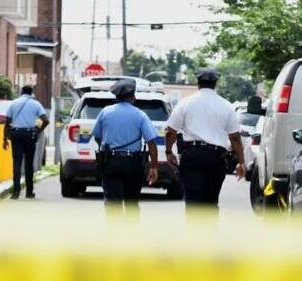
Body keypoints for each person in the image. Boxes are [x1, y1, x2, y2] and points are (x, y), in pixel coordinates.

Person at [164, 68, 245, 210]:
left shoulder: (185, 102)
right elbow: (235, 138)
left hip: (192, 156)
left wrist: (169, 152)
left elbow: (170, 132)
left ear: (198, 83)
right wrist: (241, 162)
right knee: (211, 202)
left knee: (193, 201)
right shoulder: (226, 106)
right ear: (216, 84)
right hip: (216, 158)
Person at [92, 79, 159, 214]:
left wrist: (106, 148)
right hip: (133, 164)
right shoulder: (140, 115)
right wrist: (154, 167)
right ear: (133, 97)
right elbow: (151, 142)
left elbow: (97, 136)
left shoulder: (105, 112)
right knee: (132, 204)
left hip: (110, 162)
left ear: (116, 97)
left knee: (112, 204)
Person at [3, 85, 49, 199]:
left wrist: (5, 139)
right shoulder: (36, 104)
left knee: (17, 163)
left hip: (16, 135)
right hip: (30, 135)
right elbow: (46, 120)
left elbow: (7, 123)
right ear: (31, 93)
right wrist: (38, 130)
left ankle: (16, 192)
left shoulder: (13, 103)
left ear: (21, 92)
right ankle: (29, 191)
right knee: (29, 164)